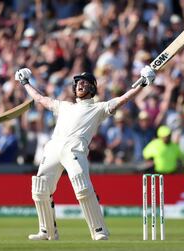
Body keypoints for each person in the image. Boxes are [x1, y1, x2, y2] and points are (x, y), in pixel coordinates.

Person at [14, 66, 155, 241]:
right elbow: (40, 98)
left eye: (85, 82)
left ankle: (99, 230)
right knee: (40, 188)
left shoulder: (98, 108)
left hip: (75, 149)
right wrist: (25, 82)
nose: (80, 84)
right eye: (78, 82)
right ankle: (47, 232)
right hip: (53, 147)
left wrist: (142, 83)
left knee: (83, 188)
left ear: (92, 88)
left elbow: (123, 99)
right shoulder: (63, 106)